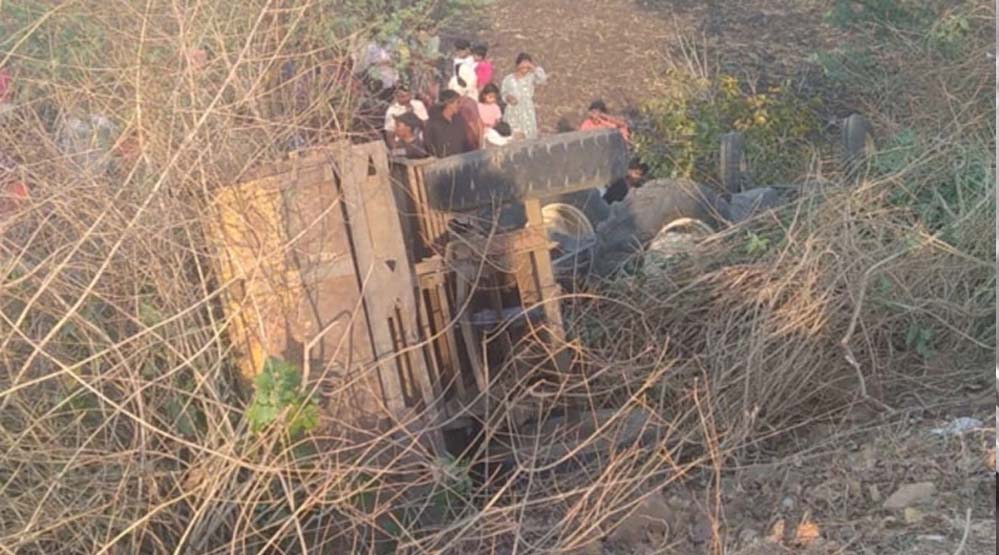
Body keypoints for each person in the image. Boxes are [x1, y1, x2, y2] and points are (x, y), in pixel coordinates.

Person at [501, 53, 547, 140]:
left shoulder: (530, 77)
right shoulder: (508, 79)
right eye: (522, 66)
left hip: (527, 110)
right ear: (517, 65)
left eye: (527, 67)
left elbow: (543, 79)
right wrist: (508, 97)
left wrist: (532, 67)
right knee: (513, 135)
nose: (525, 69)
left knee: (528, 135)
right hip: (513, 110)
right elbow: (503, 93)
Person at [425, 90, 475, 158]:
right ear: (448, 104)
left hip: (461, 160)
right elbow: (429, 144)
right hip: (442, 161)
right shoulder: (433, 123)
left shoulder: (460, 121)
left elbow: (467, 142)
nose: (460, 105)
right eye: (457, 102)